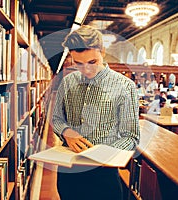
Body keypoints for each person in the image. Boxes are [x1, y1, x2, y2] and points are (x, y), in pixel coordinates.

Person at [52, 25, 140, 200]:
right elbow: (56, 118)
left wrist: (103, 154)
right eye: (78, 63)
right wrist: (66, 132)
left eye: (92, 62)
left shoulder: (125, 86)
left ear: (103, 52)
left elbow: (131, 136)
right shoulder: (68, 82)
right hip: (68, 172)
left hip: (104, 177)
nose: (86, 70)